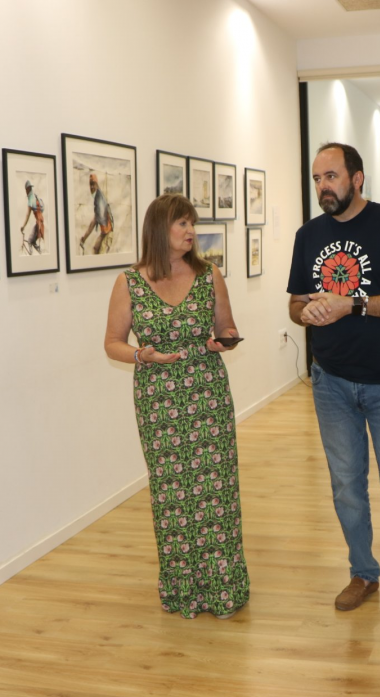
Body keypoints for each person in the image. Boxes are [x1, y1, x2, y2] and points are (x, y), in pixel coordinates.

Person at [287, 142, 380, 632]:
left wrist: (353, 304)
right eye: (316, 178)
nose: (322, 186)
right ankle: (363, 574)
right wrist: (307, 311)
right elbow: (294, 304)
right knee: (347, 489)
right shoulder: (308, 235)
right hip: (330, 382)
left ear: (357, 179)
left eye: (331, 176)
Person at [105, 193, 249, 619]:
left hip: (207, 392)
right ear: (158, 229)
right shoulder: (129, 282)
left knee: (216, 490)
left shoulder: (209, 276)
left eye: (192, 223)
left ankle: (224, 588)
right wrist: (140, 355)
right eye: (182, 224)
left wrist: (221, 341)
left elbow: (228, 327)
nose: (191, 231)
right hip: (157, 400)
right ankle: (184, 590)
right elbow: (112, 343)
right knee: (172, 494)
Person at [81, 172, 114, 254]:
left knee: (100, 256)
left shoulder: (99, 199)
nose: (92, 187)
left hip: (107, 233)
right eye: (90, 185)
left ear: (97, 184)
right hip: (105, 233)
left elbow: (94, 222)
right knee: (95, 249)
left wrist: (84, 238)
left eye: (93, 184)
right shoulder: (98, 197)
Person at [20, 180, 45, 253]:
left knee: (30, 241)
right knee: (33, 241)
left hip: (38, 223)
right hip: (40, 221)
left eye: (26, 190)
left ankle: (31, 255)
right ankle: (41, 253)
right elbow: (42, 208)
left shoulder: (31, 199)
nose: (26, 192)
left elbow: (27, 215)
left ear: (27, 189)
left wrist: (23, 226)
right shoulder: (35, 196)